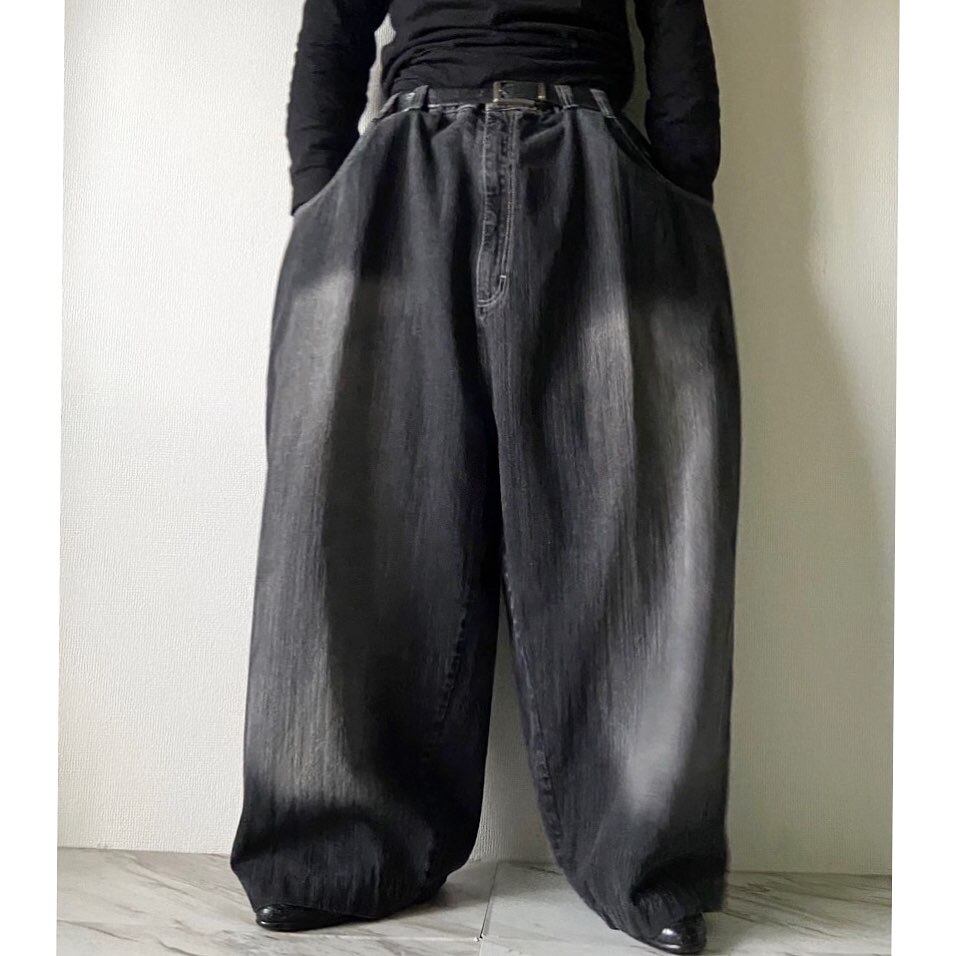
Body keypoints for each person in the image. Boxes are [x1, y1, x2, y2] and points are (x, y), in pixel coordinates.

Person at [230, 1, 742, 953]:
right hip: (402, 171)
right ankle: (331, 848)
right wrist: (319, 192)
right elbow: (334, 28)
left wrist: (679, 191)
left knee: (634, 528)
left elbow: (674, 19)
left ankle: (648, 861)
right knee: (359, 527)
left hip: (593, 162)